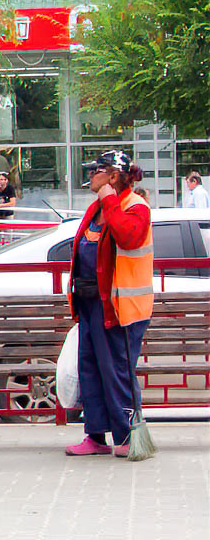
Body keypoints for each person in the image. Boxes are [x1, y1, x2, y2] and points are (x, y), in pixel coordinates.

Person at [65, 150, 153, 458]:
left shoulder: (135, 207)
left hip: (121, 309)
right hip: (91, 305)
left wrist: (110, 200)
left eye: (96, 172)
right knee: (91, 370)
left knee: (117, 373)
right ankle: (96, 435)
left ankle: (128, 436)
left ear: (113, 177)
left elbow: (128, 236)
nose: (90, 176)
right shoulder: (96, 208)